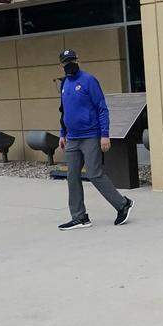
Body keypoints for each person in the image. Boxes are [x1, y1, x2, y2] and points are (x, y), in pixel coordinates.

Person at [56, 49, 133, 230]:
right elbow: (64, 111)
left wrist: (104, 135)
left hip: (91, 135)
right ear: (61, 65)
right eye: (65, 62)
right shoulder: (65, 83)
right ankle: (79, 217)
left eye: (72, 60)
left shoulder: (89, 80)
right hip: (72, 138)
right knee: (72, 176)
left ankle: (122, 204)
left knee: (94, 174)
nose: (69, 64)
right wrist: (62, 133)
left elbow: (102, 108)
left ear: (78, 60)